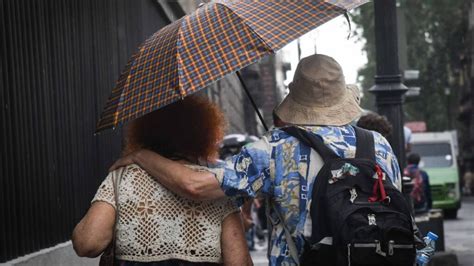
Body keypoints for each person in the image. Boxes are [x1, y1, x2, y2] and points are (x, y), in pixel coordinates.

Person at [110, 54, 402, 265]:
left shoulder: (274, 148)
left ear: (296, 97)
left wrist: (140, 155)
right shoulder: (378, 145)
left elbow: (195, 185)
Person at [72, 96, 251, 265]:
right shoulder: (213, 186)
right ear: (204, 136)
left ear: (144, 132)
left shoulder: (121, 178)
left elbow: (87, 243)